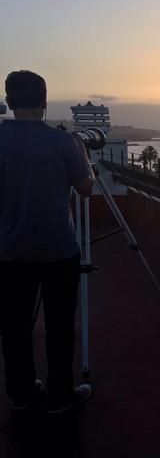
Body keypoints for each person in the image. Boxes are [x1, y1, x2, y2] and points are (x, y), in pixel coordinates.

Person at [0, 70, 95, 414]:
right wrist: (87, 161)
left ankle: (22, 394)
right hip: (58, 250)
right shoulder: (63, 142)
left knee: (14, 326)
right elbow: (86, 188)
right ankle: (60, 395)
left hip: (9, 251)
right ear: (44, 101)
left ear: (9, 101)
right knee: (59, 326)